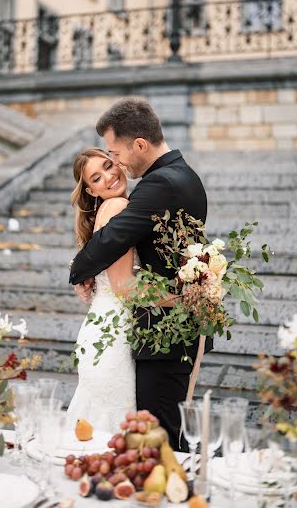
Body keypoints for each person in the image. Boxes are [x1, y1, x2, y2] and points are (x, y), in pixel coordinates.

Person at [69, 97, 212, 449]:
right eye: (101, 170)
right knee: (156, 439)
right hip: (156, 329)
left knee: (155, 441)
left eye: (114, 154)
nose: (115, 163)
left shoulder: (159, 184)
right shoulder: (186, 176)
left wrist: (78, 269)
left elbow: (111, 242)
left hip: (164, 332)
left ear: (139, 145)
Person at [67, 147, 137, 432]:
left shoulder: (110, 209)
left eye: (109, 166)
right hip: (112, 339)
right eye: (97, 178)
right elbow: (123, 286)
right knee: (113, 429)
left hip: (102, 330)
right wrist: (181, 297)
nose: (109, 177)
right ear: (91, 191)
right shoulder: (118, 208)